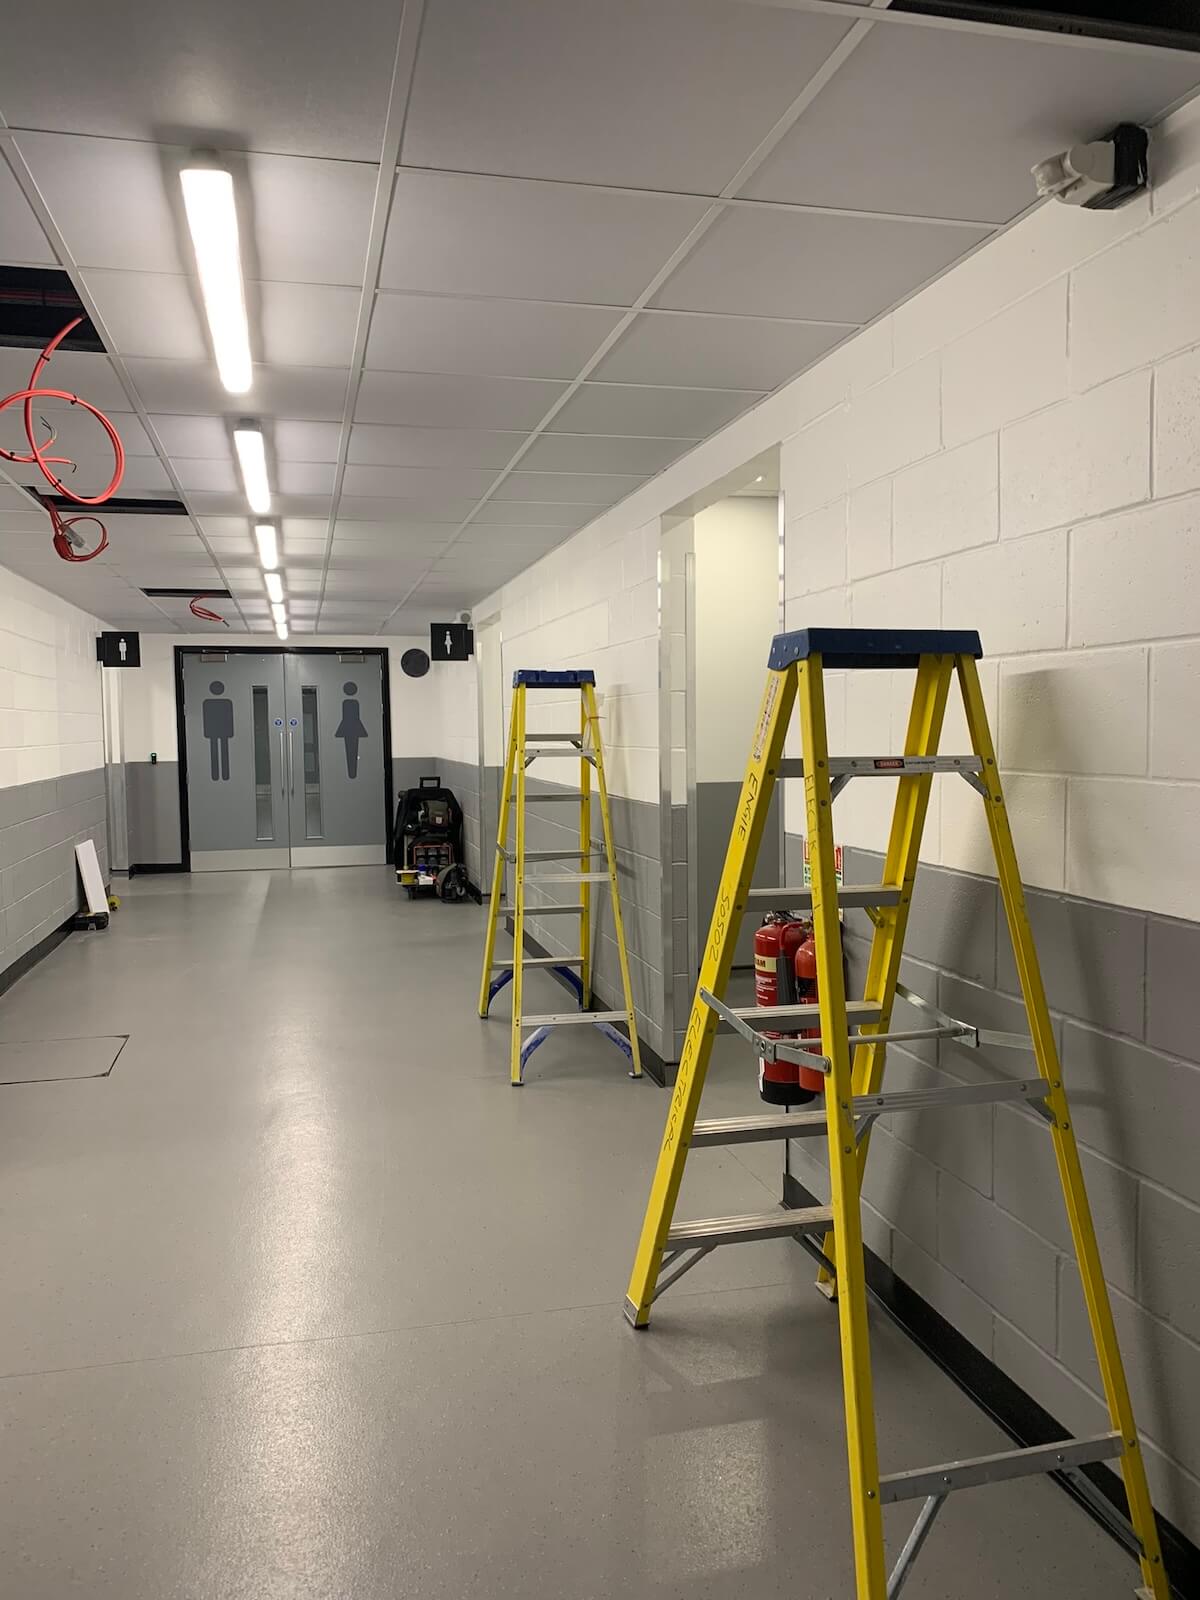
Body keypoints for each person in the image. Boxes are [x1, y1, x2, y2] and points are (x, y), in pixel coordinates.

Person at [334, 682, 368, 779]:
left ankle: (352, 774)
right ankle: (352, 774)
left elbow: (349, 718)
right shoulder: (353, 703)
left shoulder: (347, 703)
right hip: (354, 729)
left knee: (351, 751)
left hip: (348, 729)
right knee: (351, 751)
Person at [202, 681, 234, 781]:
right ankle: (225, 775)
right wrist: (230, 732)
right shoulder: (227, 702)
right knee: (224, 752)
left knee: (215, 752)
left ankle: (216, 776)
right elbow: (229, 719)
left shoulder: (207, 703)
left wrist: (207, 733)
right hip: (223, 731)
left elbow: (207, 719)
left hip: (213, 732)